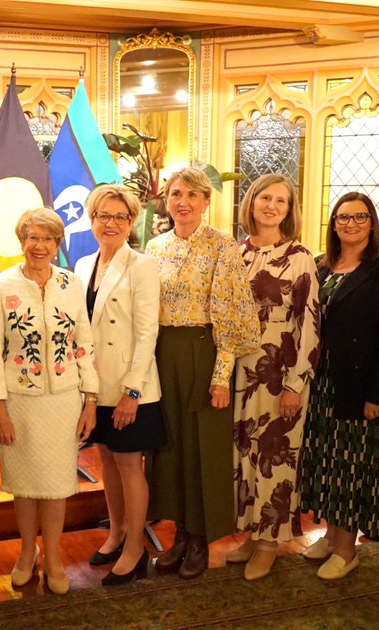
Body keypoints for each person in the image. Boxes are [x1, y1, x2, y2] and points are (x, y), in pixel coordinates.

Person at [145, 167, 260, 580]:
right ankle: (177, 533)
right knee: (170, 445)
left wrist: (220, 376)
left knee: (201, 449)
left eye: (193, 195)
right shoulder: (154, 248)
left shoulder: (222, 247)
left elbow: (230, 313)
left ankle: (200, 537)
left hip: (204, 351)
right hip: (162, 353)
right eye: (176, 194)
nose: (184, 202)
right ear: (166, 200)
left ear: (206, 202)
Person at [299, 192, 379, 580]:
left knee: (351, 467)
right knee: (328, 462)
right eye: (343, 217)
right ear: (333, 224)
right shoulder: (321, 267)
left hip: (361, 388)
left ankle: (347, 549)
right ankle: (332, 535)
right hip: (324, 385)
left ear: (372, 222)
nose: (350, 223)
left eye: (359, 216)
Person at [0, 208, 99, 594]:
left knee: (56, 484)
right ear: (22, 241)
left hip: (64, 400)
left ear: (58, 243)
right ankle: (25, 553)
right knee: (25, 485)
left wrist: (91, 399)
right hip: (19, 400)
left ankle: (53, 557)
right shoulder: (1, 285)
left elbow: (84, 343)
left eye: (48, 238)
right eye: (33, 237)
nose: (40, 245)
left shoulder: (72, 283)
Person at [228, 173, 320, 581]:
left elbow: (310, 325)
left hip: (279, 374)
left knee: (274, 459)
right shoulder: (235, 253)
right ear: (251, 202)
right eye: (265, 197)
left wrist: (294, 384)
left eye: (281, 201)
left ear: (289, 210)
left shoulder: (300, 257)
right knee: (244, 457)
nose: (271, 206)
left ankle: (270, 543)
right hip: (240, 375)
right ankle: (250, 533)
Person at [74, 185, 164, 586]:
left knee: (130, 466)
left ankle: (135, 550)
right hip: (96, 386)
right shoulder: (81, 264)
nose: (110, 224)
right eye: (103, 216)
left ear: (131, 224)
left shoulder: (141, 265)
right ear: (91, 220)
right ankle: (116, 534)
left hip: (133, 387)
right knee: (106, 461)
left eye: (120, 217)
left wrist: (132, 392)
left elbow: (147, 333)